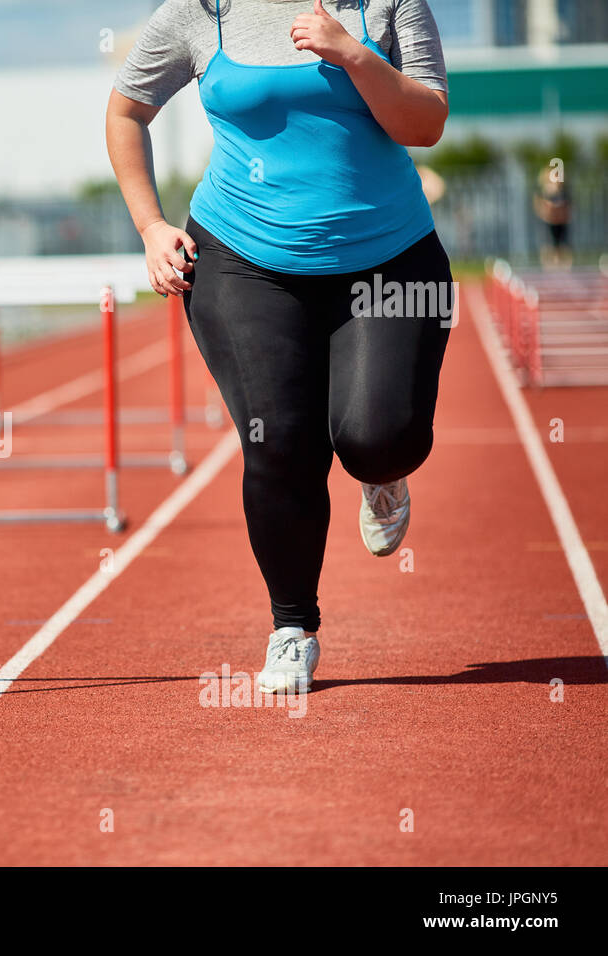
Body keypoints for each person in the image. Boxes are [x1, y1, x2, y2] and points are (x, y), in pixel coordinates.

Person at [106, 0, 454, 693]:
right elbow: (125, 112)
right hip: (243, 259)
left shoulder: (383, 3)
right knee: (280, 440)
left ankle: (382, 472)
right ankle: (291, 628)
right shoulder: (202, 12)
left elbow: (428, 123)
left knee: (380, 436)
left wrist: (351, 52)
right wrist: (150, 227)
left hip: (388, 258)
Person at [533, 164, 571, 269]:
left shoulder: (563, 189)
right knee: (548, 246)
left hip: (561, 221)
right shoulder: (545, 190)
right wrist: (546, 211)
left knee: (563, 246)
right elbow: (539, 203)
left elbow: (568, 205)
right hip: (549, 221)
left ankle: (564, 268)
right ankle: (548, 268)